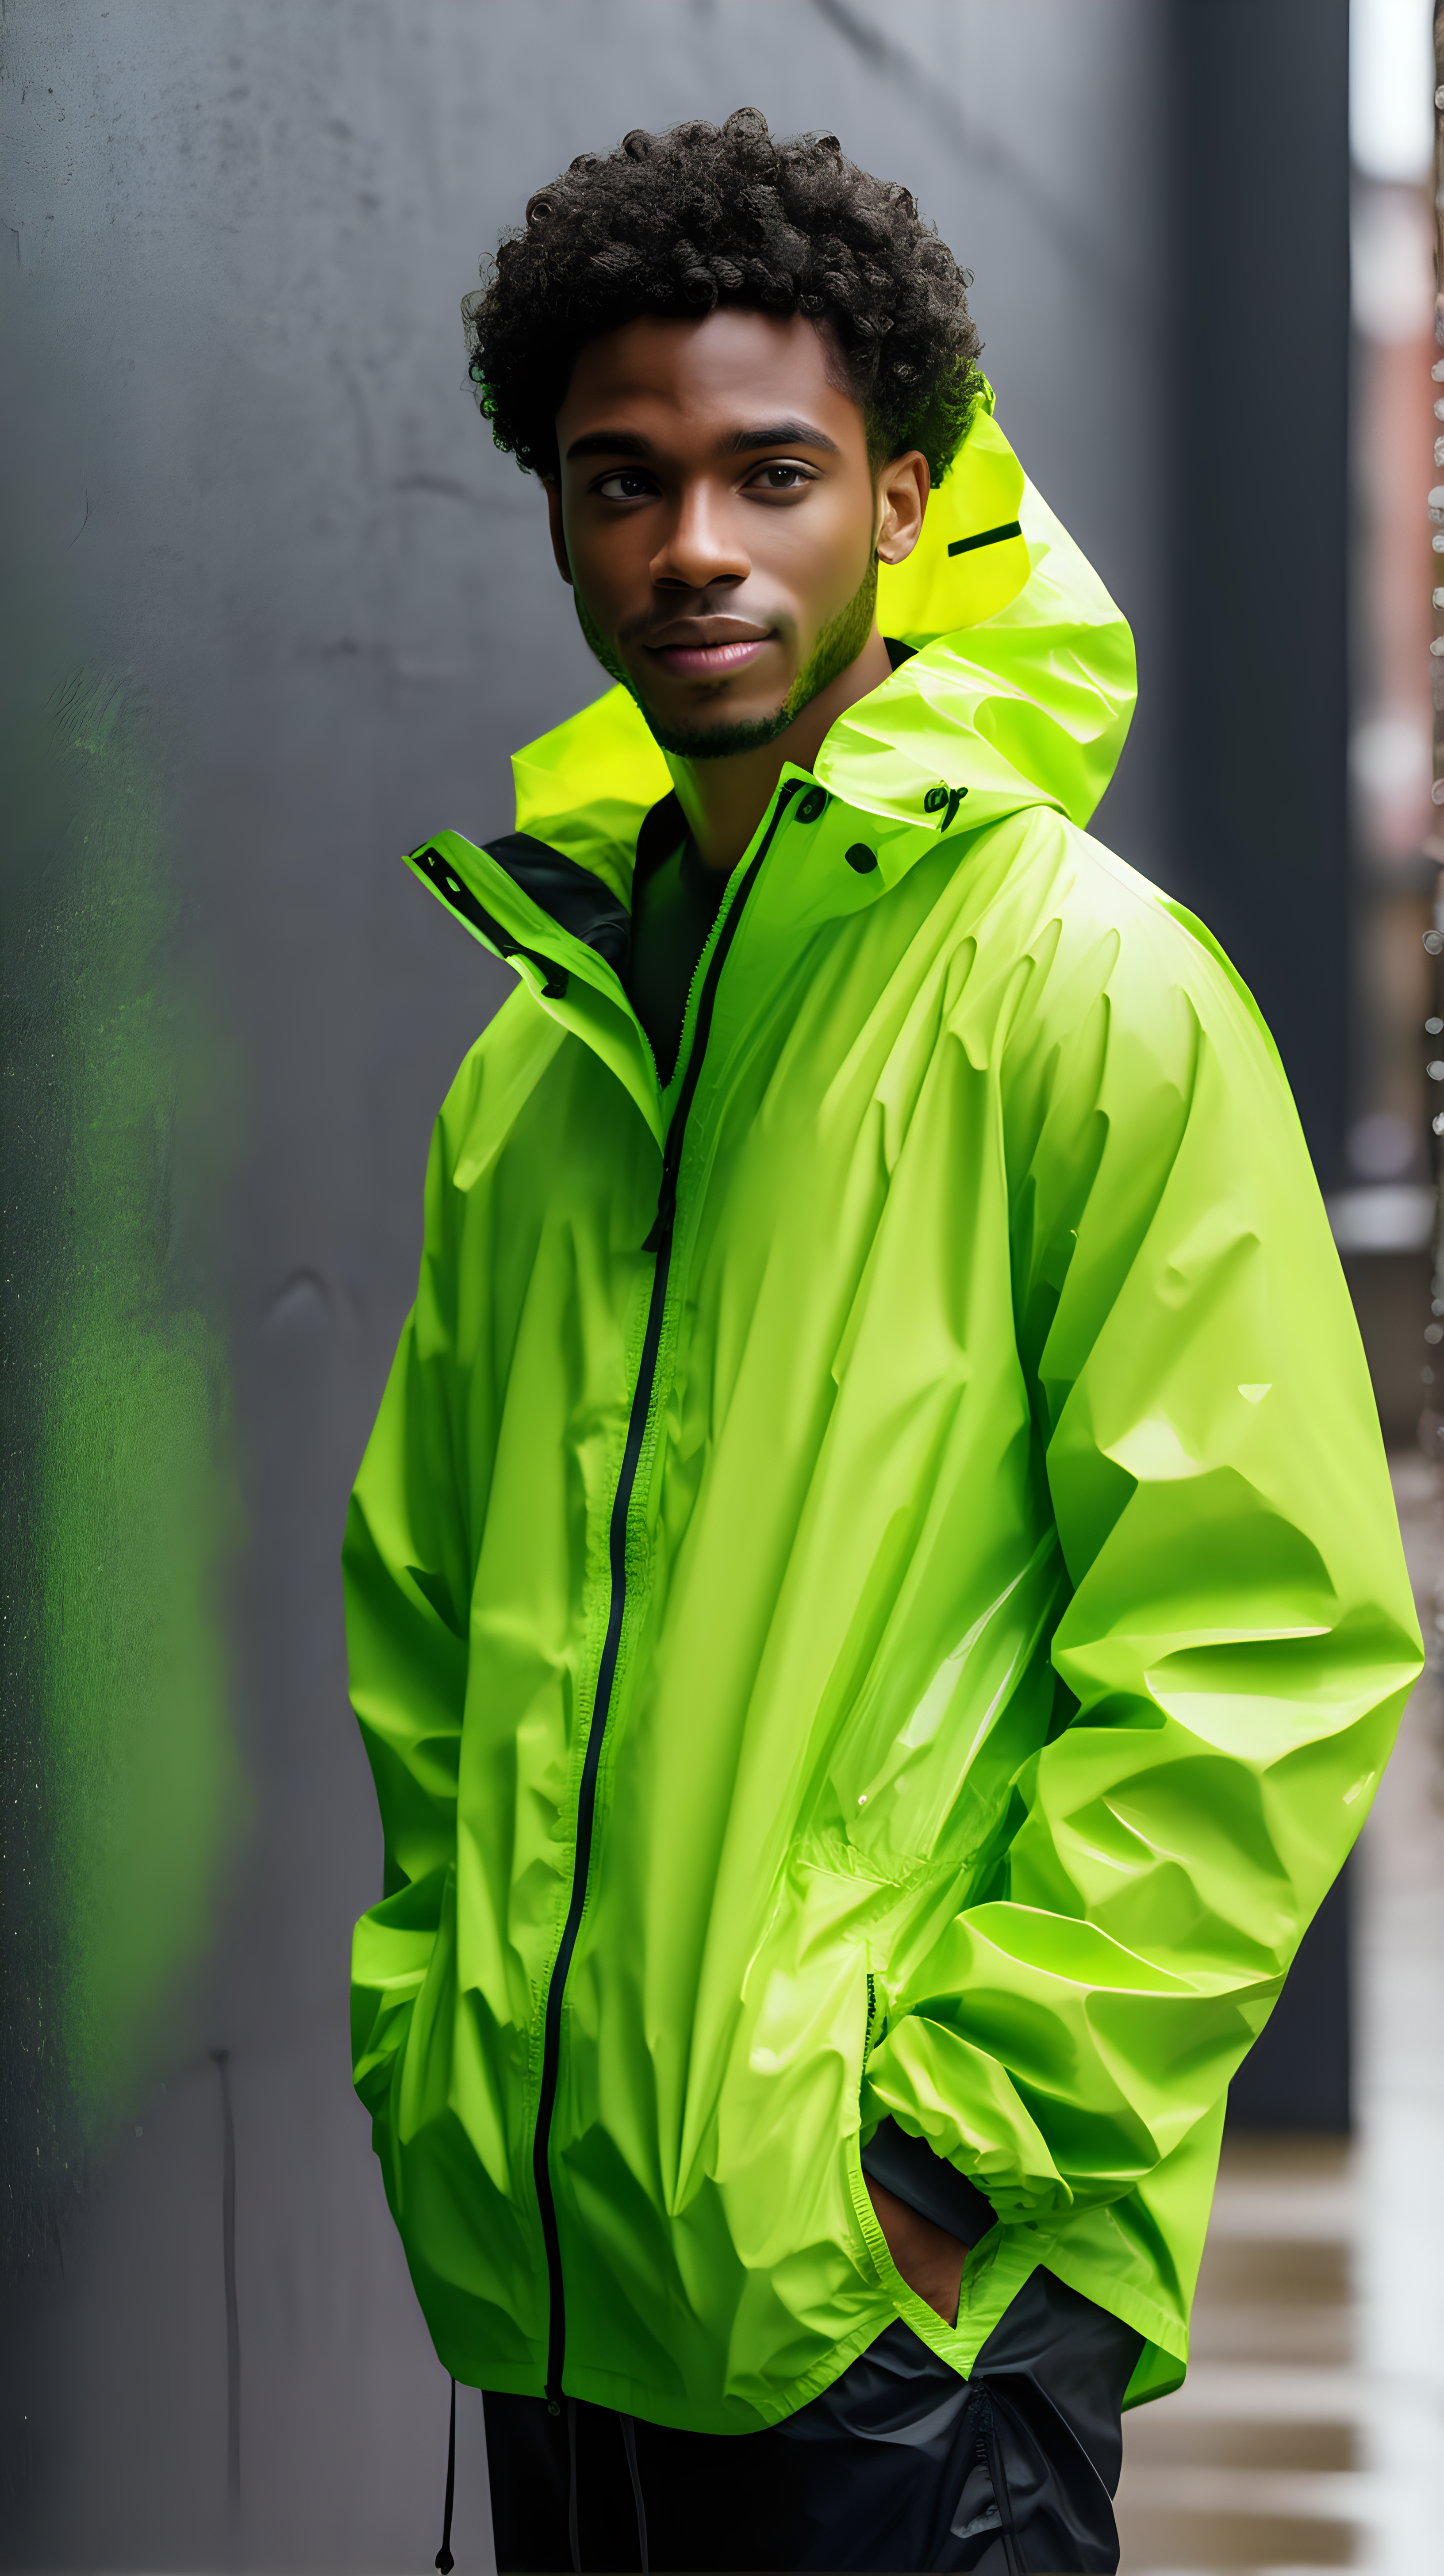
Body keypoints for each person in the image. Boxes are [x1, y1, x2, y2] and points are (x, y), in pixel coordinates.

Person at [345, 111, 1421, 2574]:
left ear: (903, 502)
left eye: (772, 474)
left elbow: (1261, 1641)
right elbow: (431, 1627)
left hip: (888, 2315)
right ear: (557, 512)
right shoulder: (541, 1067)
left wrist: (952, 2151)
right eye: (623, 481)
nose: (693, 547)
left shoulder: (1086, 995)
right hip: (552, 2275)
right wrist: (442, 2052)